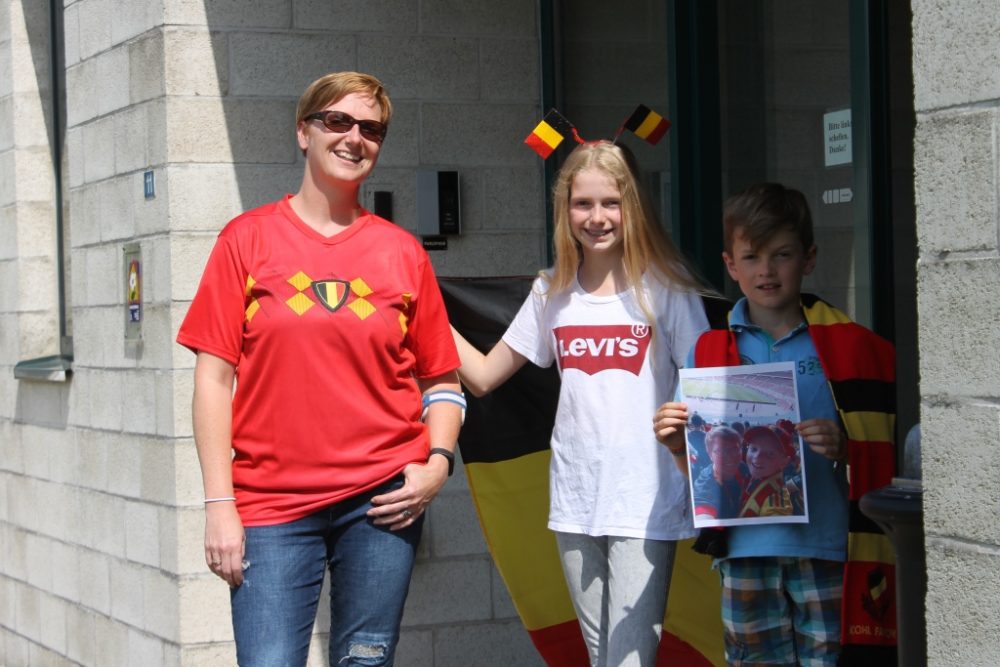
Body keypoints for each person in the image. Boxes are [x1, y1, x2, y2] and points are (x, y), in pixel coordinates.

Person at [176, 71, 463, 666]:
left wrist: (437, 465)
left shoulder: (403, 253)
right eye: (337, 121)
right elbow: (212, 378)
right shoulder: (245, 240)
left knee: (365, 661)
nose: (354, 137)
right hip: (272, 506)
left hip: (382, 502)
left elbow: (441, 378)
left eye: (371, 128)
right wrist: (218, 504)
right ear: (303, 133)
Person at [451, 140, 710, 666]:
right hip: (574, 501)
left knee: (628, 660)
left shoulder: (667, 288)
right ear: (564, 210)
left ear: (633, 205)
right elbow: (481, 376)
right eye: (582, 204)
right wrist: (418, 304)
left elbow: (709, 384)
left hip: (646, 500)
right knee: (600, 658)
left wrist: (684, 424)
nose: (596, 218)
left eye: (610, 202)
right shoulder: (552, 291)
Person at [653, 182, 896, 665]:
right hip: (744, 551)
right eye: (752, 257)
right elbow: (703, 476)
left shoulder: (849, 346)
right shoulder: (706, 352)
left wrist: (847, 449)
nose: (766, 270)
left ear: (808, 259)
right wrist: (678, 446)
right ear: (731, 266)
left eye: (781, 255)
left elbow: (883, 450)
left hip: (827, 548)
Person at [738, 425, 797, 518]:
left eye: (770, 454)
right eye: (754, 449)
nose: (757, 457)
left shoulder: (775, 496)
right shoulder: (755, 476)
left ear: (785, 461)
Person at [692, 425, 747, 521]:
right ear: (710, 454)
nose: (730, 456)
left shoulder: (742, 467)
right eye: (721, 451)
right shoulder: (705, 485)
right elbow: (703, 512)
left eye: (734, 449)